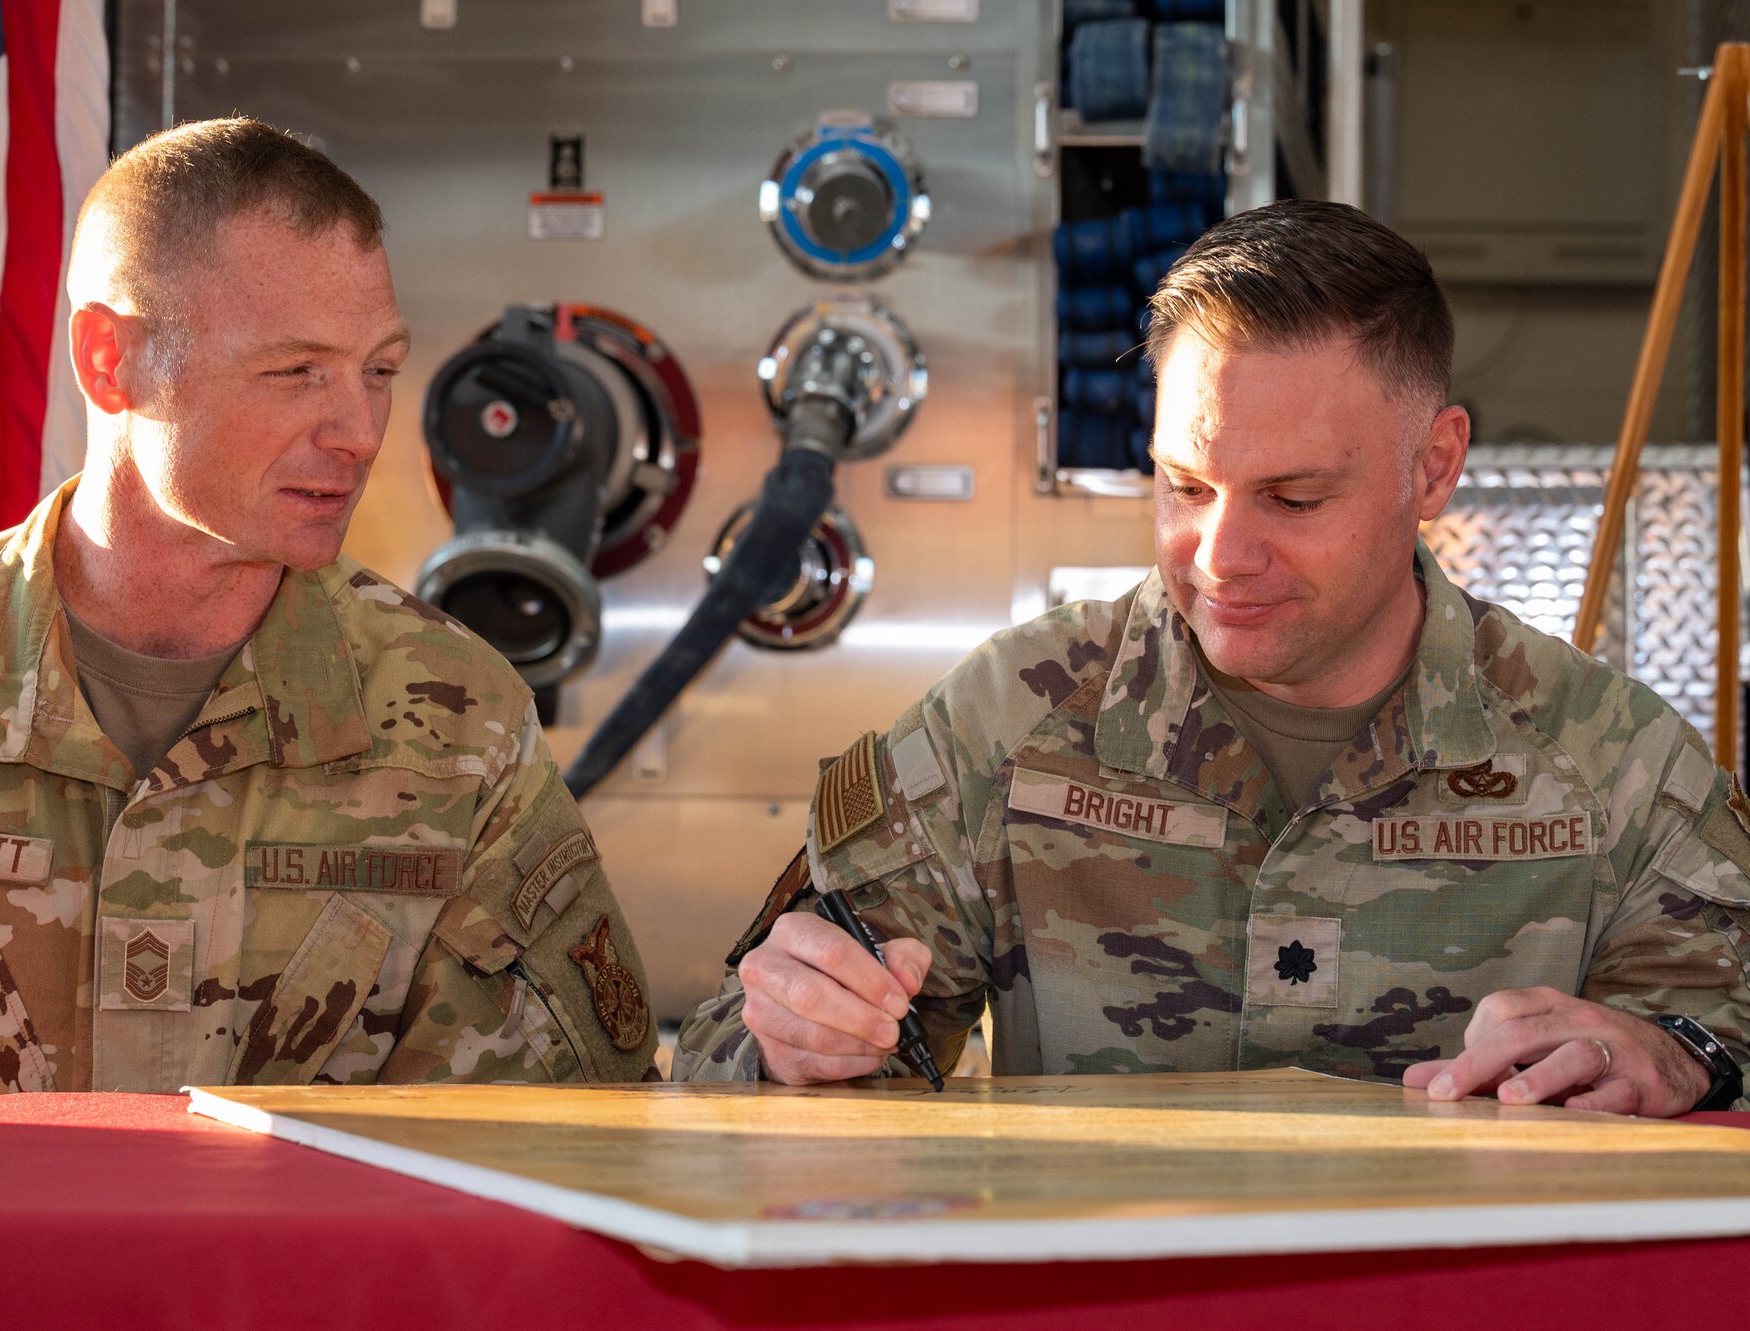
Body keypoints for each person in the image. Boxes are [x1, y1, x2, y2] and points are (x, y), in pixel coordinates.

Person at [677, 199, 1750, 1117]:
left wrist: (1684, 1059)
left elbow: (1722, 1034)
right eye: (1184, 485)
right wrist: (788, 1039)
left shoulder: (1612, 766)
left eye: (1293, 498)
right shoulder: (1010, 722)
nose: (1220, 556)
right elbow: (723, 1053)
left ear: (1432, 467)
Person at [0, 118, 657, 1136]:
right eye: (296, 371)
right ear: (111, 360)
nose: (359, 432)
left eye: (378, 369)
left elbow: (566, 1144)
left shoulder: (456, 723)